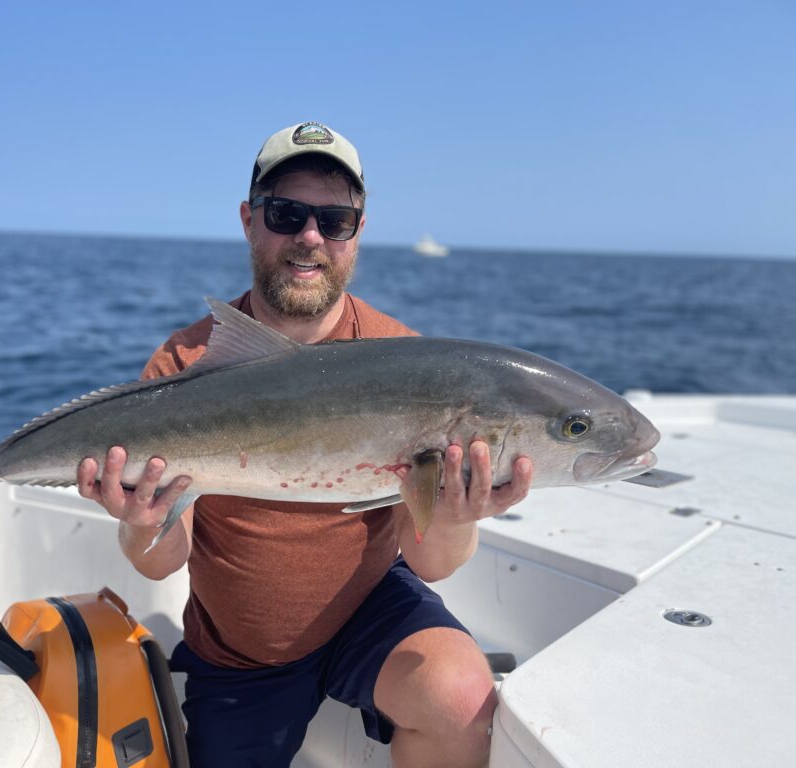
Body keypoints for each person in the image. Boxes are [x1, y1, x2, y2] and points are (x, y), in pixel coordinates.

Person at [77, 121, 533, 768]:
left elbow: (430, 563)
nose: (309, 237)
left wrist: (457, 518)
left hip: (370, 611)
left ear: (358, 231)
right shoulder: (186, 363)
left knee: (460, 697)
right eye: (287, 213)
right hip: (241, 648)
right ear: (249, 219)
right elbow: (158, 562)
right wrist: (139, 524)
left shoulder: (402, 358)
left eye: (334, 220)